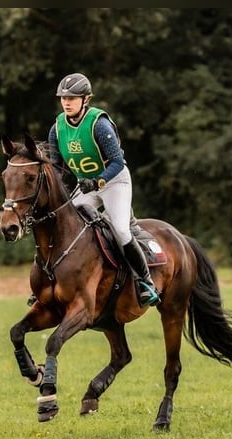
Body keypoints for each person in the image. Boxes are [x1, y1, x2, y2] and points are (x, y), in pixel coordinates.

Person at [47, 72, 159, 307]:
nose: (66, 102)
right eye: (63, 98)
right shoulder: (57, 128)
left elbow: (117, 163)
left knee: (120, 229)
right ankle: (53, 280)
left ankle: (145, 281)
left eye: (73, 98)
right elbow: (57, 167)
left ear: (85, 99)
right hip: (85, 185)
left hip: (114, 182)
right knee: (62, 224)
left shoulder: (99, 124)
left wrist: (97, 182)